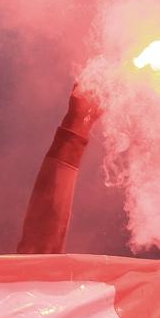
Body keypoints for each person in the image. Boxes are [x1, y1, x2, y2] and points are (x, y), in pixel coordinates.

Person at [17, 86, 101, 254]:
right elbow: (41, 248)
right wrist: (76, 126)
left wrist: (77, 126)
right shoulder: (36, 277)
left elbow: (41, 246)